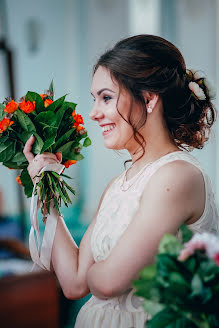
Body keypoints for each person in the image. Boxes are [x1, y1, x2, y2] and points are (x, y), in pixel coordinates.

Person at [24, 34, 219, 327]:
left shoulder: (177, 176)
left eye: (106, 97)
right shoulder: (118, 185)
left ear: (149, 99)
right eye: (94, 99)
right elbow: (75, 284)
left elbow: (108, 284)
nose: (93, 113)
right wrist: (47, 192)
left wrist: (100, 274)